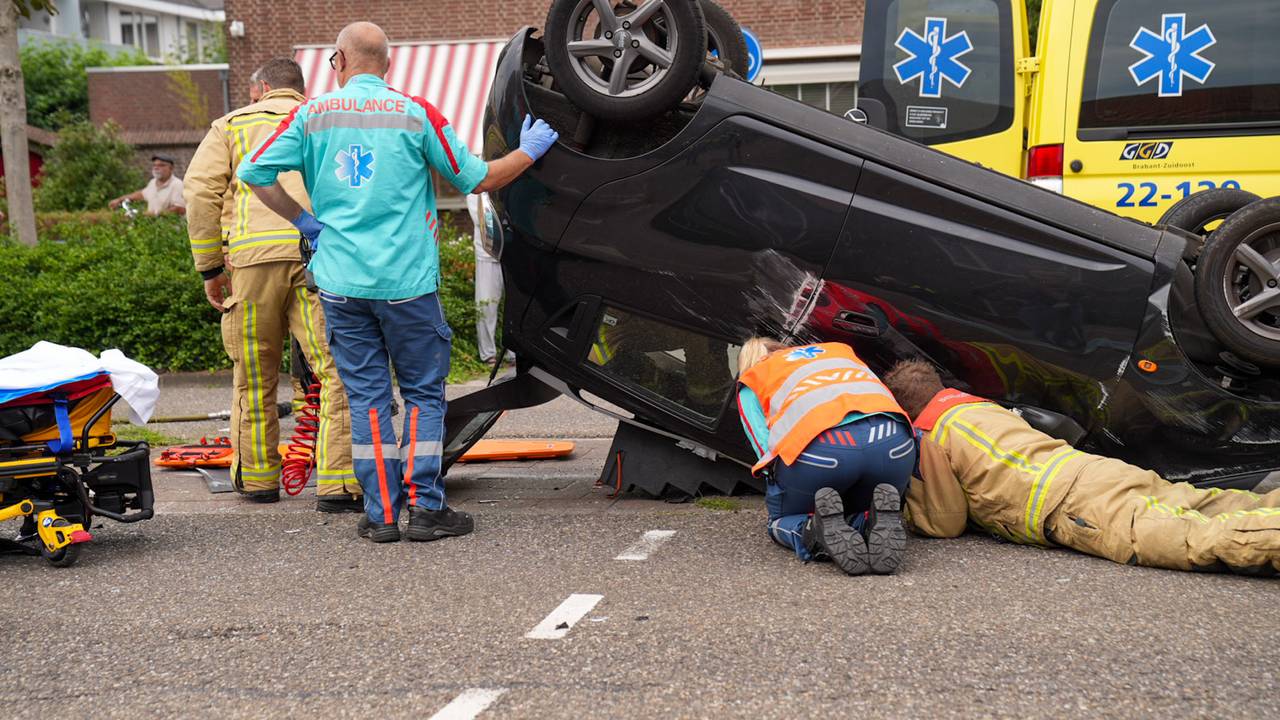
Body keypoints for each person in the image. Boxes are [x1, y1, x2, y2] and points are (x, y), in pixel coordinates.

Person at [239, 22, 559, 544]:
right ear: (386, 65)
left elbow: (255, 173)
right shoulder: (416, 113)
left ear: (340, 60)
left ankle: (383, 513)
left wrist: (306, 223)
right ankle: (427, 510)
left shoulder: (311, 116)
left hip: (342, 284)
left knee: (367, 399)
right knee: (423, 396)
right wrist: (530, 150)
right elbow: (479, 178)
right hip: (407, 283)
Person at [883, 359, 1280, 573]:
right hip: (1094, 470)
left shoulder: (930, 433)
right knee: (1208, 504)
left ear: (904, 409)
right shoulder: (979, 407)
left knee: (1190, 539)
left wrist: (909, 507)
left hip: (1071, 505)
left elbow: (945, 521)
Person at [184, 57, 362, 512]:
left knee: (254, 375)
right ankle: (339, 484)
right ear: (300, 88)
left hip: (251, 265)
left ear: (260, 88)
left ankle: (259, 479)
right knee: (336, 370)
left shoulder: (230, 126)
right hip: (319, 261)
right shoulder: (323, 118)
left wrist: (210, 267)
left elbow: (200, 192)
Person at [736, 338, 917, 575]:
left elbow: (763, 447)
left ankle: (812, 531)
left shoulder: (752, 379)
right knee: (860, 498)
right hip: (894, 444)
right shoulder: (840, 352)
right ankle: (867, 521)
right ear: (782, 348)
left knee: (780, 521)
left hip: (824, 449)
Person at [466, 193, 509, 366]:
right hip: (487, 253)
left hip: (514, 253)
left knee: (514, 305)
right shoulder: (476, 191)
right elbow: (483, 220)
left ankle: (515, 352)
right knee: (486, 304)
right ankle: (488, 353)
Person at [110, 155, 186, 215]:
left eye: (161, 165)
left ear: (171, 168)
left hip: (170, 227)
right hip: (152, 225)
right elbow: (141, 194)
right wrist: (119, 200)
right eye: (155, 165)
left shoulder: (177, 184)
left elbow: (180, 208)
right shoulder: (153, 182)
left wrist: (154, 215)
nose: (156, 168)